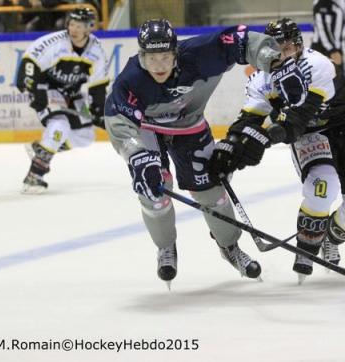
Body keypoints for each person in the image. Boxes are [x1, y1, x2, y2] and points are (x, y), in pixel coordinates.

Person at [104, 18, 282, 288]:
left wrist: (272, 59)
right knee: (154, 192)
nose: (159, 66)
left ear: (176, 53)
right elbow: (118, 121)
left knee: (210, 191)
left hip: (189, 126)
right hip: (147, 130)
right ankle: (165, 246)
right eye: (152, 59)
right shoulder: (130, 80)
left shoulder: (200, 55)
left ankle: (229, 247)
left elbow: (242, 40)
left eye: (165, 57)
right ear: (141, 56)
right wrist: (137, 155)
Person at [208, 18, 345, 283]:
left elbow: (299, 118)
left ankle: (328, 238)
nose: (282, 54)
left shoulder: (317, 65)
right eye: (276, 48)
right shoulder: (260, 80)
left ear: (299, 45)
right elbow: (249, 120)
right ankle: (306, 250)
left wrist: (264, 137)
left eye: (287, 47)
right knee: (323, 185)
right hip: (312, 134)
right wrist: (231, 145)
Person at [16, 8, 109, 194]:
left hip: (72, 94)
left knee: (85, 136)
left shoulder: (96, 50)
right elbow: (29, 64)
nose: (73, 29)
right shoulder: (54, 43)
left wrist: (98, 110)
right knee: (60, 126)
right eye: (72, 24)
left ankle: (42, 148)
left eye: (79, 25)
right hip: (46, 89)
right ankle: (35, 175)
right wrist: (34, 90)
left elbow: (98, 84)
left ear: (89, 28)